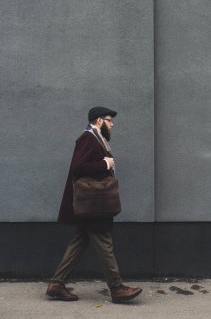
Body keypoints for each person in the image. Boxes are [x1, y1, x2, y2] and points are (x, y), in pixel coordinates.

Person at [46, 106, 142, 303]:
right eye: (109, 120)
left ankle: (57, 284)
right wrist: (105, 164)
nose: (112, 124)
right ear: (99, 121)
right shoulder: (88, 139)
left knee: (80, 241)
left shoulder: (96, 138)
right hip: (92, 204)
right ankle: (117, 288)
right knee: (104, 241)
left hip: (91, 203)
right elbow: (78, 167)